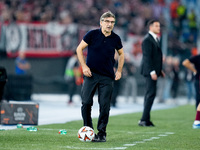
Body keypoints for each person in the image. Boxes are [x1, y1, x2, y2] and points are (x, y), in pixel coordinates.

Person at [76, 11, 124, 142]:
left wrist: (119, 71)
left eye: (112, 22)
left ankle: (102, 133)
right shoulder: (92, 34)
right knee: (86, 102)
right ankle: (88, 129)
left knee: (104, 105)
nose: (109, 24)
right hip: (91, 74)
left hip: (107, 77)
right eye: (107, 21)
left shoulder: (116, 38)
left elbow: (121, 54)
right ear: (101, 22)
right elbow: (79, 49)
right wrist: (84, 67)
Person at [139, 19, 165, 127]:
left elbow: (155, 58)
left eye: (159, 26)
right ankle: (144, 120)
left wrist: (160, 70)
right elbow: (147, 58)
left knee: (150, 95)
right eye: (156, 26)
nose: (159, 28)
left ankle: (146, 119)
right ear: (150, 27)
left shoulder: (154, 39)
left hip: (153, 71)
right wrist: (152, 71)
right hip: (150, 72)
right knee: (150, 95)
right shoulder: (147, 40)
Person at [182, 54, 200, 128]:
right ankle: (197, 120)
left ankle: (197, 120)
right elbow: (185, 62)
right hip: (198, 79)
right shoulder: (198, 57)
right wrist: (194, 70)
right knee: (198, 99)